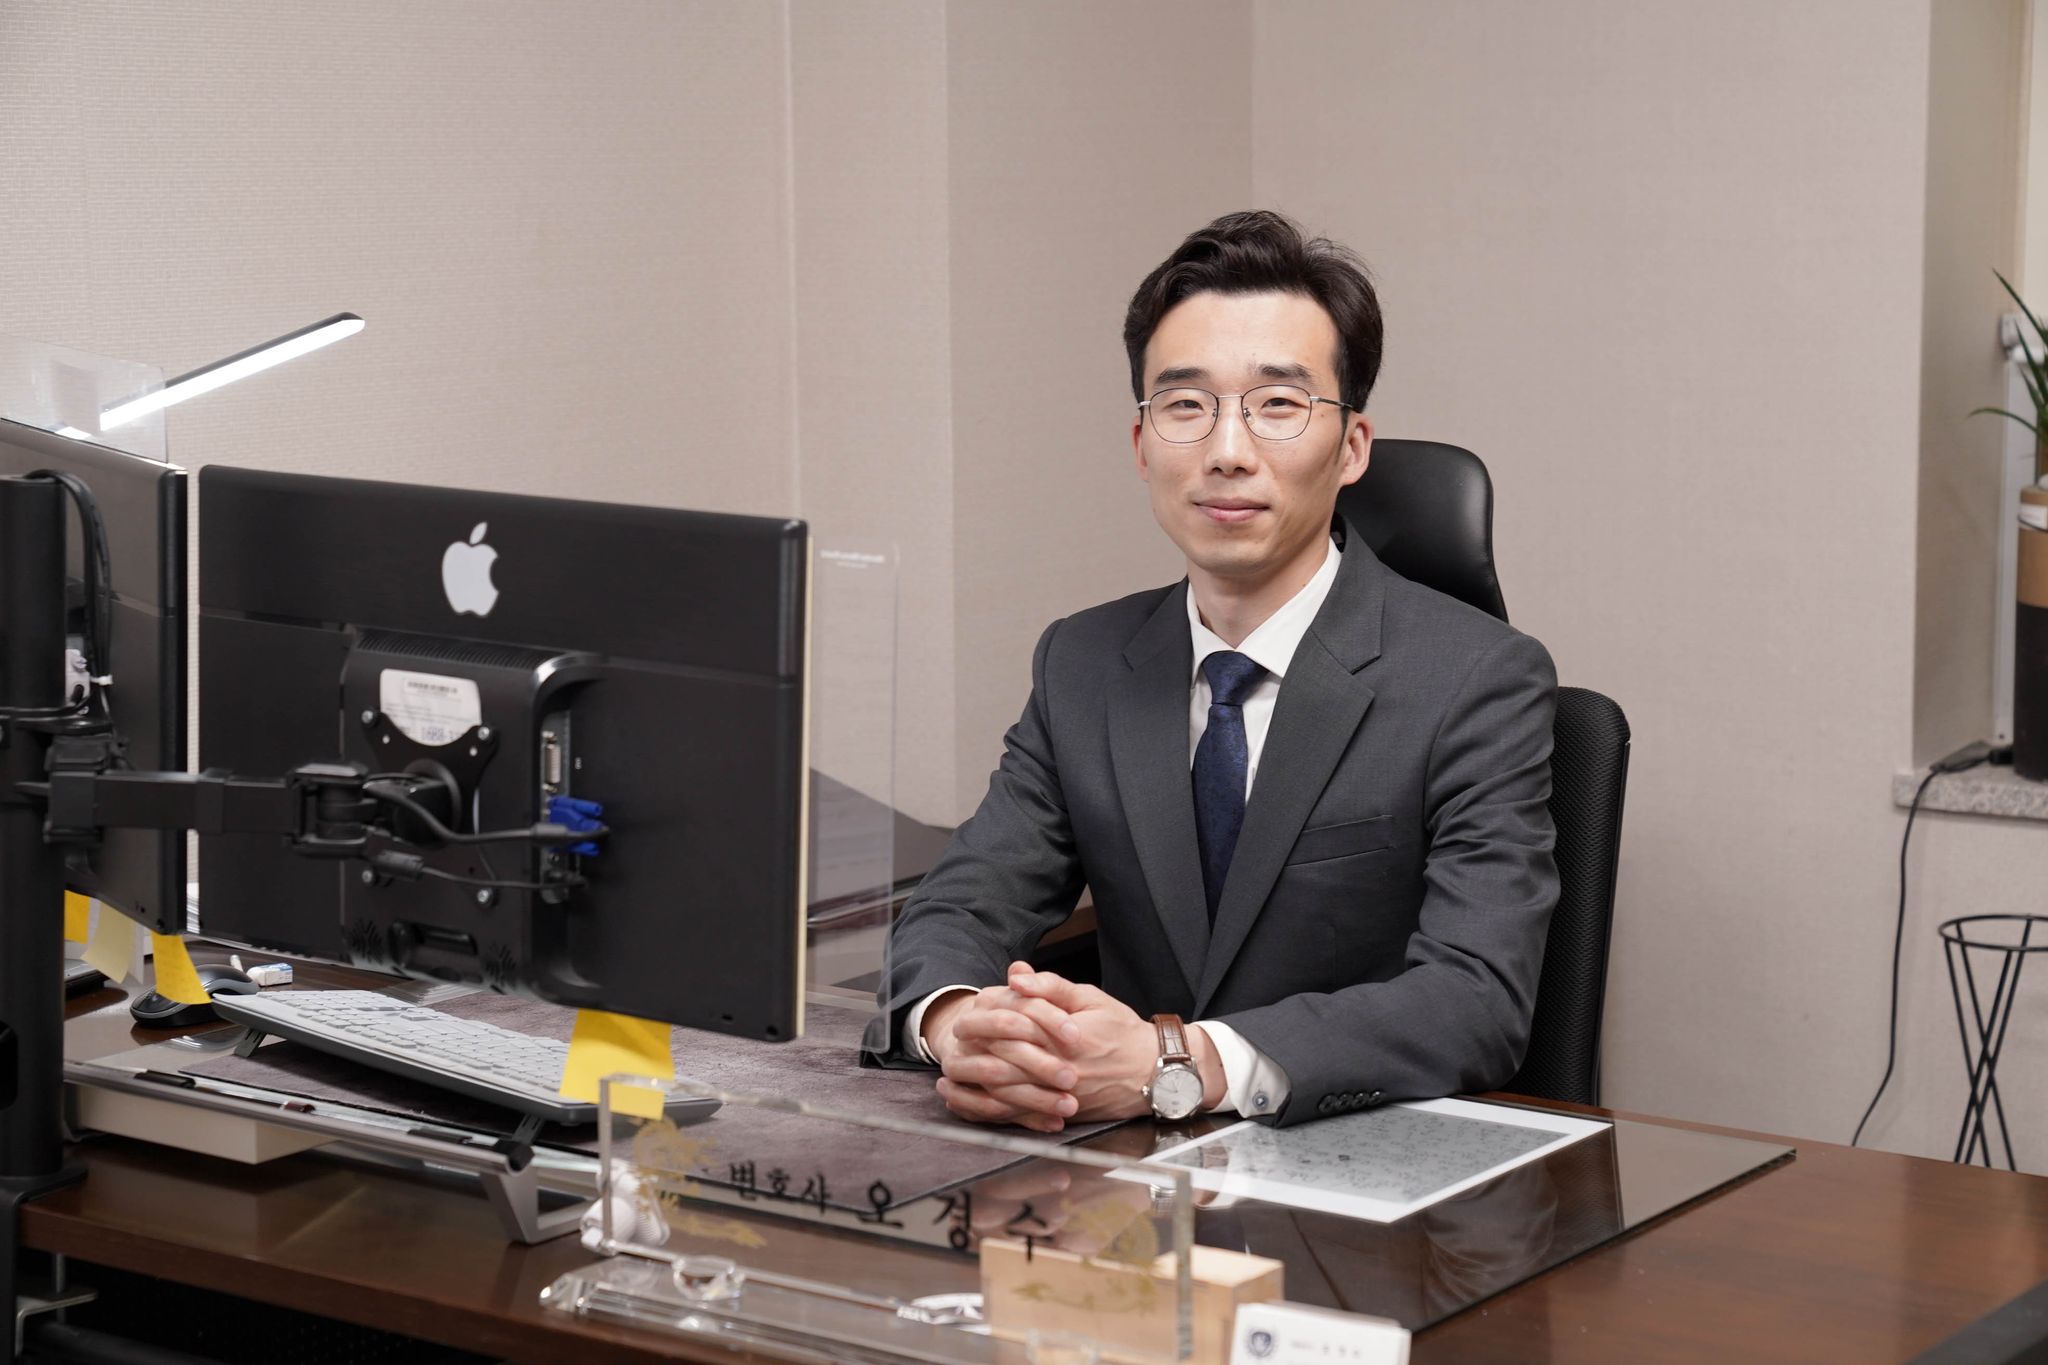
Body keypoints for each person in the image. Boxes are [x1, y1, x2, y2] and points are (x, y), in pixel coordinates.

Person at [862, 210, 1558, 1131]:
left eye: (1278, 404)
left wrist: (1177, 1063)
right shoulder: (1083, 663)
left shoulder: (1478, 679)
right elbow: (961, 903)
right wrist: (962, 1026)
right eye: (1186, 405)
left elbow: (1476, 997)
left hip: (1356, 1171)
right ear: (1142, 445)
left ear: (1352, 447)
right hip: (1125, 1177)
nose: (1227, 451)